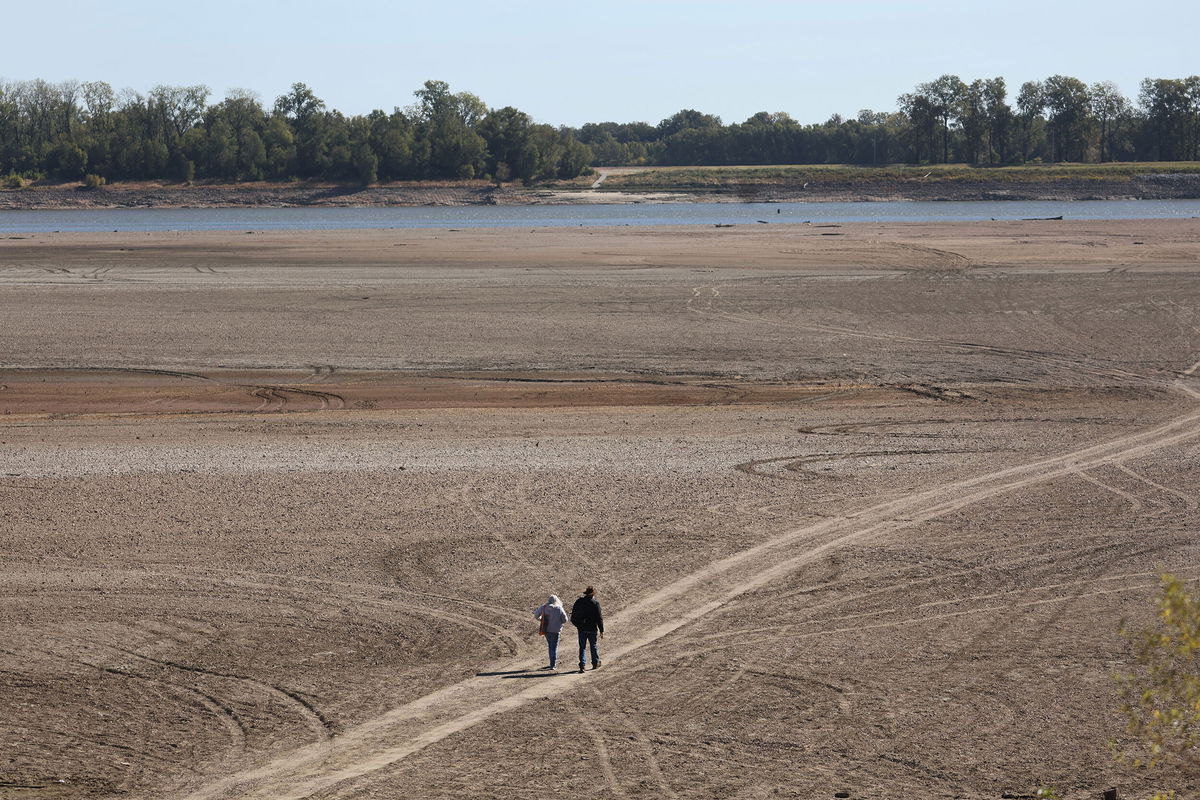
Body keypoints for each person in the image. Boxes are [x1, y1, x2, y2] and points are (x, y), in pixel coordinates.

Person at [569, 586, 604, 673]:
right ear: (592, 594)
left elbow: (573, 616)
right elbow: (599, 618)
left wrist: (578, 625)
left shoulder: (579, 602)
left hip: (581, 628)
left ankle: (582, 665)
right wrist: (601, 630)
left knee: (582, 647)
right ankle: (595, 663)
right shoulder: (595, 603)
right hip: (592, 628)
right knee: (593, 646)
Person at [533, 594, 568, 670]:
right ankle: (553, 665)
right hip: (556, 631)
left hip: (546, 630)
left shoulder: (544, 607)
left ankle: (552, 663)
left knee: (550, 646)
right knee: (554, 647)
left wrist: (541, 619)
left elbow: (536, 615)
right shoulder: (559, 608)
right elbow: (565, 620)